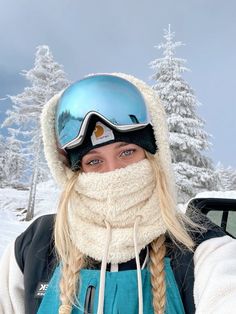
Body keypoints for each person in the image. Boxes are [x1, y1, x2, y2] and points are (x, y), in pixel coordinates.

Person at [0, 73, 236, 314]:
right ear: (74, 173)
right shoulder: (35, 246)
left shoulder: (199, 247)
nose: (114, 172)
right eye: (93, 162)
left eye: (127, 152)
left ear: (154, 155)